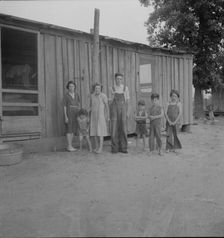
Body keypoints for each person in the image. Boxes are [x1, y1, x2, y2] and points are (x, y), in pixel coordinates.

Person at [109, 72, 130, 153]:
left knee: (124, 129)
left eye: (120, 79)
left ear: (122, 79)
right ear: (115, 79)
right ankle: (115, 148)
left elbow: (127, 101)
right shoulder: (112, 88)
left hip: (123, 109)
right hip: (114, 110)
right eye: (117, 79)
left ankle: (124, 148)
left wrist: (127, 112)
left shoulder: (125, 88)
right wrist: (112, 96)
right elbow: (110, 102)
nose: (119, 80)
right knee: (114, 129)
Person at [90, 83, 110, 154]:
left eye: (98, 88)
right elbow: (92, 106)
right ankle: (96, 146)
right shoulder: (92, 96)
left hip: (101, 116)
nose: (97, 89)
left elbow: (107, 106)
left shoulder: (103, 96)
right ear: (94, 89)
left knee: (100, 132)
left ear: (101, 89)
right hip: (93, 116)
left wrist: (108, 116)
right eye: (96, 88)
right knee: (95, 132)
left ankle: (101, 148)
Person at [63, 81, 80, 152]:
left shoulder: (77, 94)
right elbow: (64, 106)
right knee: (69, 129)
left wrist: (79, 114)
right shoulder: (66, 96)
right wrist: (66, 116)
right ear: (68, 87)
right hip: (69, 113)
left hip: (76, 113)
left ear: (74, 87)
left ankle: (70, 145)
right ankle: (69, 146)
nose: (71, 88)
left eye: (72, 86)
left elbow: (78, 104)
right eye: (70, 86)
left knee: (73, 129)